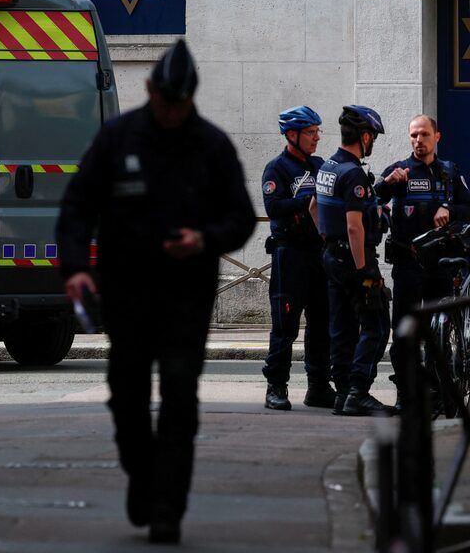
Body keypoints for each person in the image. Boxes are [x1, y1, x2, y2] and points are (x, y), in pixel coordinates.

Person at [56, 39, 256, 544]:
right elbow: (78, 206)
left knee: (180, 397)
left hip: (186, 293)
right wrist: (76, 268)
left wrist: (205, 240)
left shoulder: (212, 146)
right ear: (149, 90)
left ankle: (167, 506)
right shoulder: (117, 139)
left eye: (179, 104)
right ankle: (140, 474)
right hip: (126, 291)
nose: (170, 113)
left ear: (191, 98)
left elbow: (239, 216)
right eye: (165, 102)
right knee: (127, 394)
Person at [374, 115, 470, 409]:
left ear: (436, 137)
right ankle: (406, 392)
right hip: (408, 266)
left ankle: (439, 391)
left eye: (424, 135)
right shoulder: (399, 171)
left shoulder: (450, 173)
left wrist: (449, 209)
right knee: (405, 333)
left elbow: (468, 207)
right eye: (413, 135)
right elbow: (371, 198)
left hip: (441, 267)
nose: (418, 141)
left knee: (439, 333)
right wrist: (387, 184)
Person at [312, 105, 392, 416]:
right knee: (377, 323)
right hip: (355, 258)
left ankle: (344, 392)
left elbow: (313, 209)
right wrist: (363, 273)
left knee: (341, 326)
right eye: (373, 137)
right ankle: (359, 391)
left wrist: (328, 240)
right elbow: (354, 225)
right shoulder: (354, 172)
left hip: (332, 255)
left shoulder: (328, 167)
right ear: (366, 136)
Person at [261, 106, 335, 411]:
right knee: (285, 325)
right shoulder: (276, 169)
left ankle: (318, 385)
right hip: (289, 255)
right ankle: (276, 386)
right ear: (292, 135)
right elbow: (274, 207)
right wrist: (307, 200)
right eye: (310, 132)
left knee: (321, 322)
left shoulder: (320, 166)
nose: (317, 137)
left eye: (318, 131)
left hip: (319, 254)